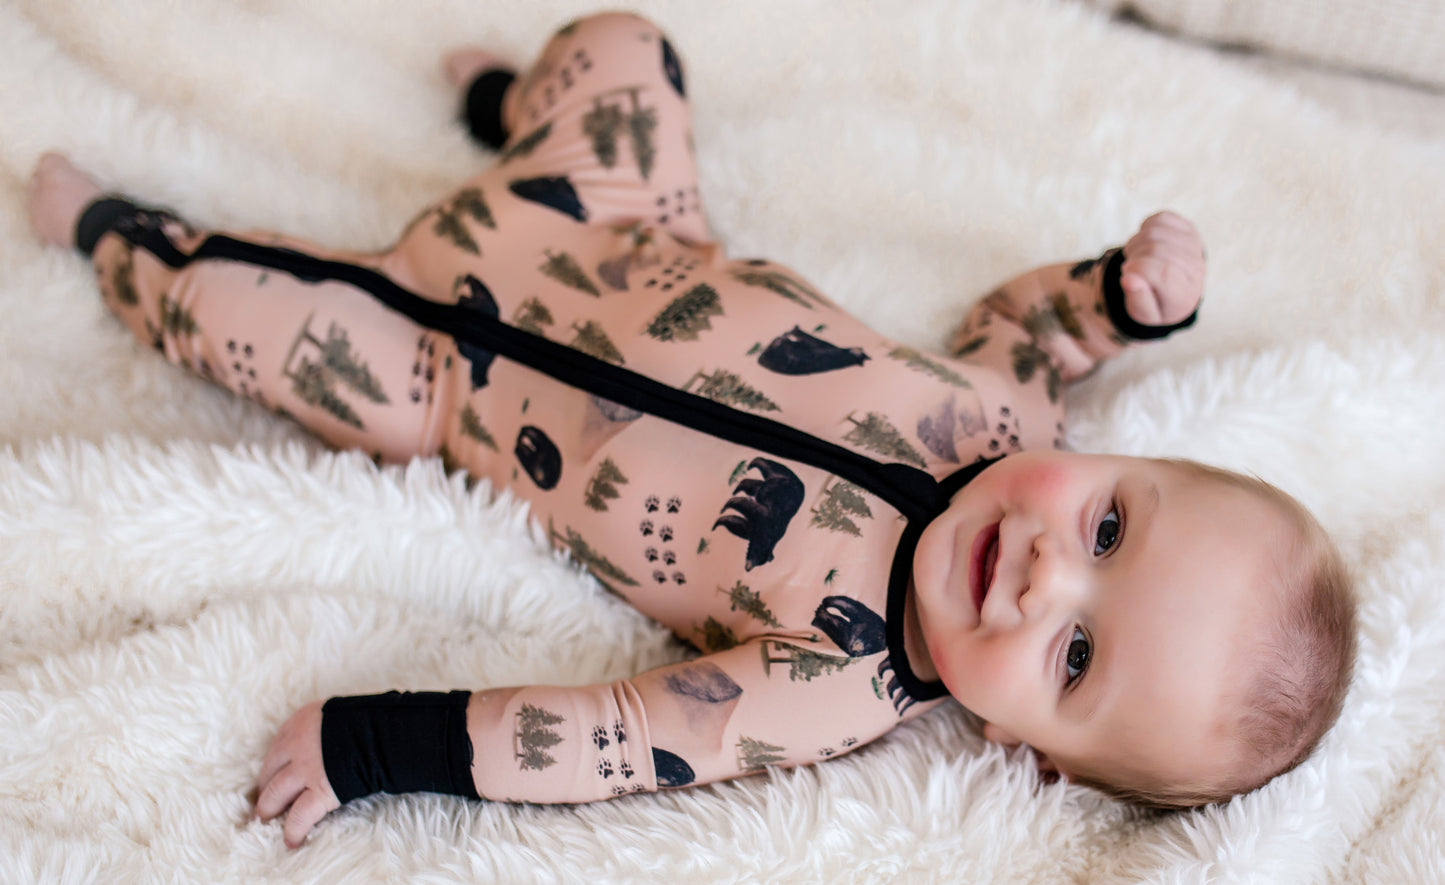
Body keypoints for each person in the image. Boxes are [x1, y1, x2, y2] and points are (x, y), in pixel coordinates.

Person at [27, 11, 1355, 849]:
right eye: (1109, 522)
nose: (1043, 566)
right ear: (1111, 461)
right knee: (625, 47)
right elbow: (1029, 326)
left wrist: (383, 747)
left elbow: (612, 734)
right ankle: (520, 125)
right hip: (624, 231)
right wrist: (1114, 298)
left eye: (1074, 654)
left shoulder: (828, 680)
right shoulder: (1003, 411)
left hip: (440, 372)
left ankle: (108, 234)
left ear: (1024, 753)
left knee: (230, 311)